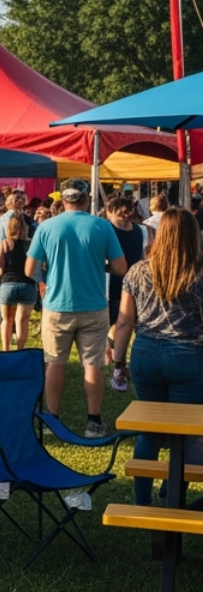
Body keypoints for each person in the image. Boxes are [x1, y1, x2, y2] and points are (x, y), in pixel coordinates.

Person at [110, 209, 203, 506]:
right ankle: (172, 493)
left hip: (146, 352)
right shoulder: (198, 272)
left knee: (149, 432)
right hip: (188, 354)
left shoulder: (138, 270)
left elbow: (124, 321)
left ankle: (142, 500)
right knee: (187, 433)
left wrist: (119, 363)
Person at [27, 178, 129, 437]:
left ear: (62, 200)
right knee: (93, 365)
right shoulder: (102, 226)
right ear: (87, 199)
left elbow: (30, 269)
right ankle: (93, 422)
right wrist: (100, 266)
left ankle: (52, 421)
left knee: (54, 363)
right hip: (94, 305)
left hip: (57, 305)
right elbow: (120, 268)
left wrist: (47, 280)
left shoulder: (46, 226)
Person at [105, 195, 148, 392]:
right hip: (118, 284)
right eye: (121, 209)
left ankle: (114, 355)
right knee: (115, 322)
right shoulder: (109, 230)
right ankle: (112, 354)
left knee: (121, 321)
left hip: (128, 284)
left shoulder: (138, 231)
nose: (124, 213)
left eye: (126, 209)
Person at [0, 212, 37, 352]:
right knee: (22, 320)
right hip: (27, 285)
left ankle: (5, 350)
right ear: (25, 228)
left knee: (6, 320)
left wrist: (3, 275)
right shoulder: (31, 244)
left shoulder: (4, 244)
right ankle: (20, 350)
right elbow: (37, 264)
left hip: (8, 284)